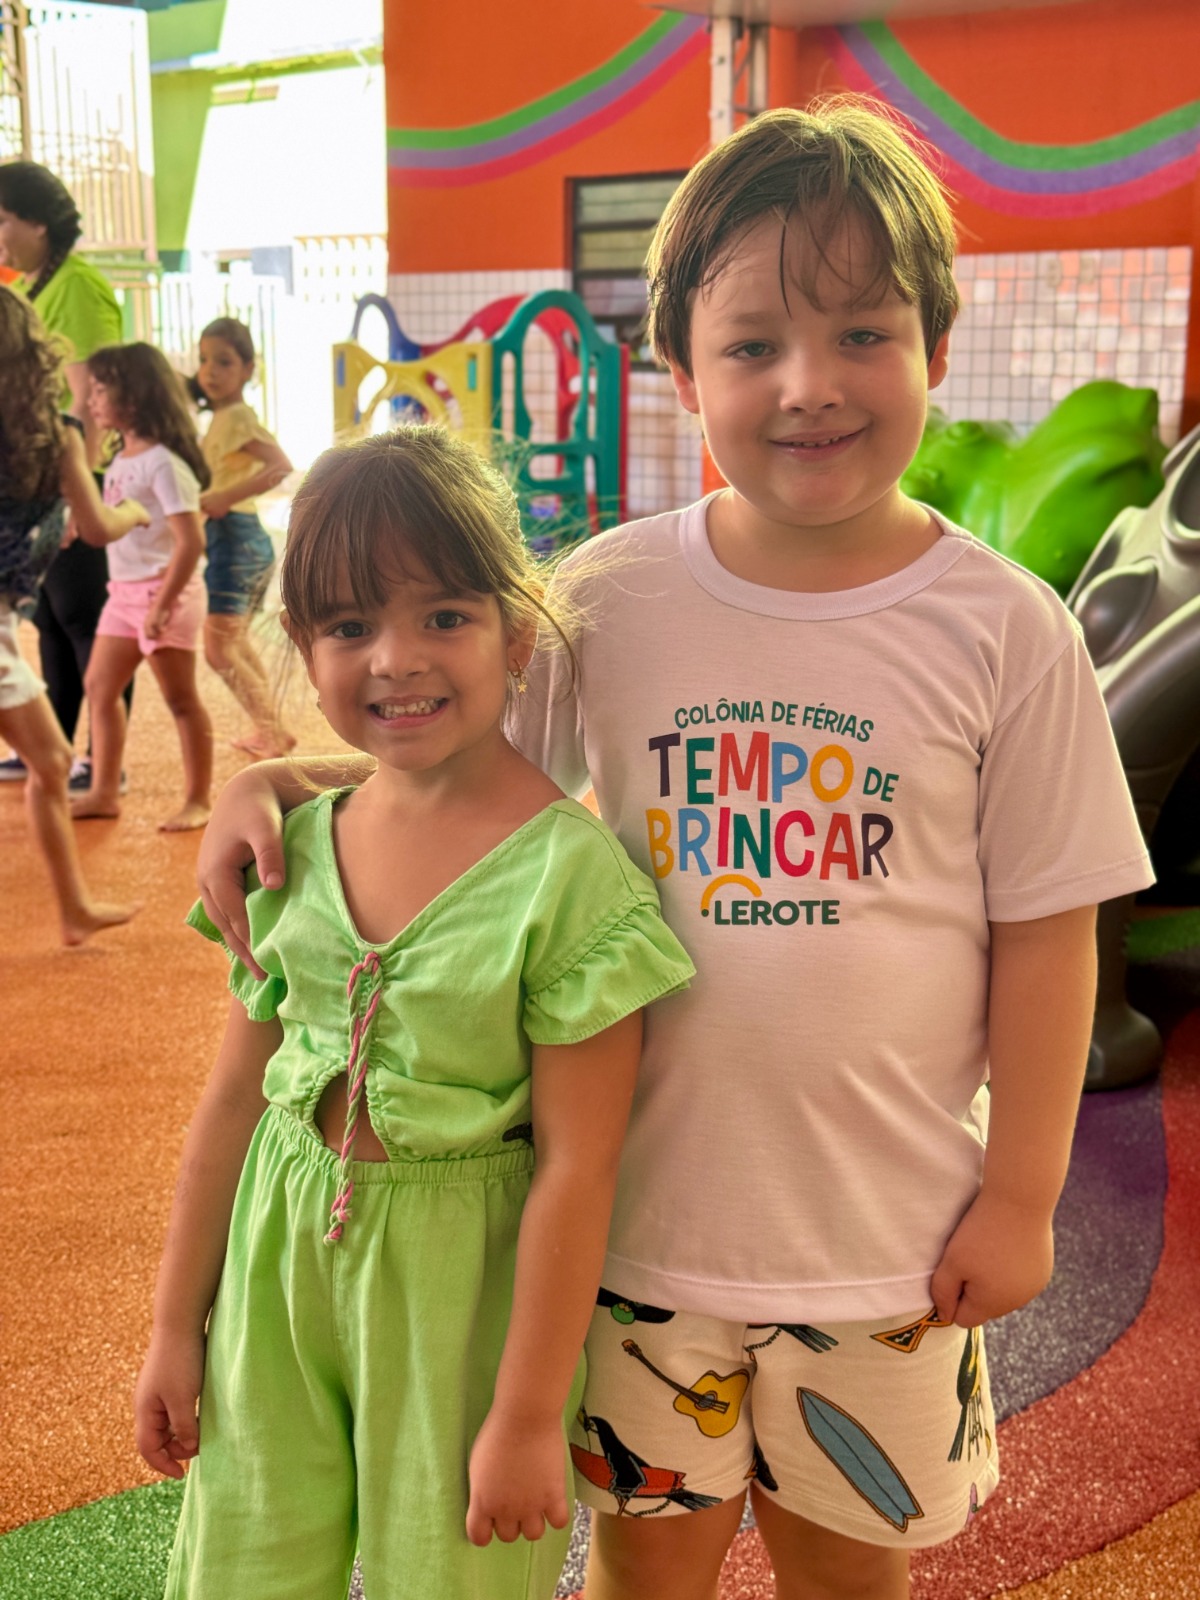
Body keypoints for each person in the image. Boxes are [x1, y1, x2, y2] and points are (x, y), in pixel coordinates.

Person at [194, 100, 1154, 1600]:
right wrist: (279, 782)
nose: (809, 384)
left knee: (850, 1580)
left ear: (936, 345)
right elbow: (456, 766)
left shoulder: (1006, 629)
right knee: (646, 1582)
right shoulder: (617, 594)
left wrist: (1023, 1194)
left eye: (862, 333)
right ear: (684, 371)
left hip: (889, 1249)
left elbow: (1047, 932)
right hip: (640, 1240)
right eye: (755, 344)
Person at [134, 426, 694, 1600]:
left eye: (444, 615)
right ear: (304, 647)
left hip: (462, 1299)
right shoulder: (290, 848)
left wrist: (528, 1414)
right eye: (350, 626)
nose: (397, 659)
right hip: (275, 1271)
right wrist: (176, 1324)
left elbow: (578, 1166)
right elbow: (233, 1102)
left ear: (516, 633)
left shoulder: (571, 880)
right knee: (242, 1565)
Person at [0, 285, 144, 943]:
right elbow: (97, 527)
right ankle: (73, 911)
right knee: (52, 763)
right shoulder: (55, 437)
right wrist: (134, 512)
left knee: (53, 763)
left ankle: (74, 912)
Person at [0, 161, 129, 788]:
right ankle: (47, 746)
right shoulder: (33, 288)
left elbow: (88, 396)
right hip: (45, 481)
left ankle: (105, 764)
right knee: (50, 621)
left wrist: (78, 494)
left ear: (38, 223)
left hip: (74, 477)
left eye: (3, 219)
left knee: (85, 620)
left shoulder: (75, 285)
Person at [70, 343, 213, 831]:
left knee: (180, 699)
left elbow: (191, 542)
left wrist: (163, 604)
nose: (91, 400)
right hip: (124, 593)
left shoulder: (164, 464)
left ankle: (198, 799)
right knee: (99, 687)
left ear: (133, 397)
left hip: (163, 592)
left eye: (100, 390)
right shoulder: (120, 457)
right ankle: (104, 791)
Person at [193, 317, 295, 759]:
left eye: (224, 362)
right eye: (204, 360)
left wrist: (225, 496)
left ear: (248, 369)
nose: (210, 371)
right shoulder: (220, 417)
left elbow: (280, 466)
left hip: (237, 536)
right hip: (230, 537)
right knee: (231, 642)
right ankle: (269, 725)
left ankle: (272, 731)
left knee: (218, 647)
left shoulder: (237, 417)